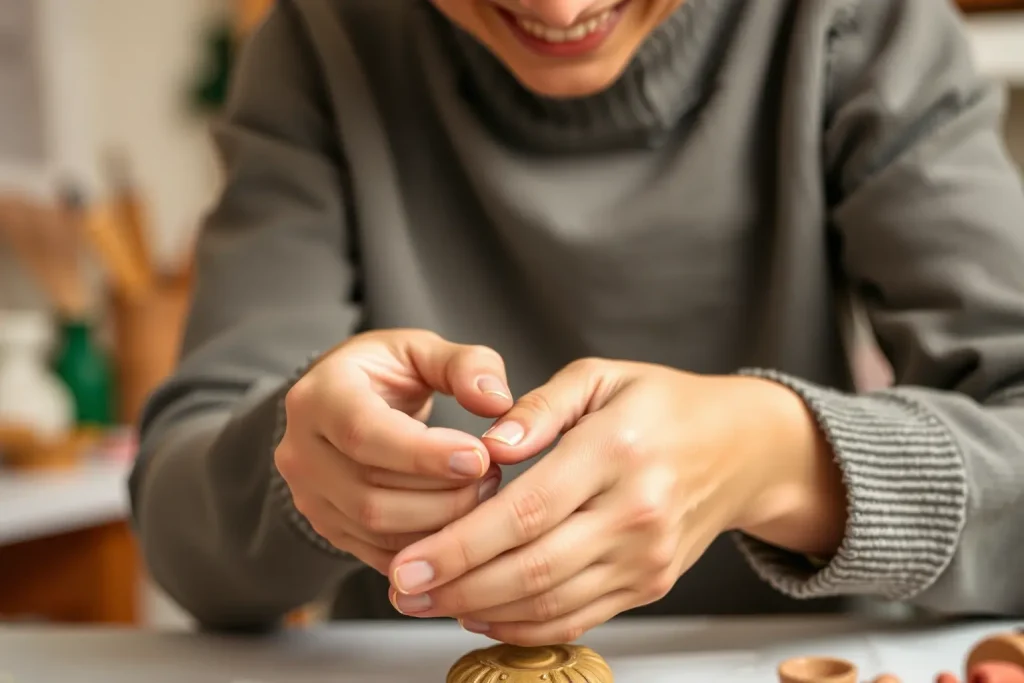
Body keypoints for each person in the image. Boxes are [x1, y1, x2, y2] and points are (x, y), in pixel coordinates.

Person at [130, 0, 1024, 645]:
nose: (559, 8)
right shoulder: (318, 45)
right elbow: (180, 531)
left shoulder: (861, 22)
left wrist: (780, 458)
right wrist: (303, 466)